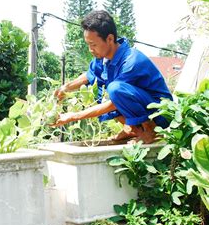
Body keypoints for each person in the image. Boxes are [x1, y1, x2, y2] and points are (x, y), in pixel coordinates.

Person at [52, 10, 172, 144]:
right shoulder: (102, 58)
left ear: (109, 39)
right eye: (88, 45)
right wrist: (65, 88)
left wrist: (73, 116)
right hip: (142, 107)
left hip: (160, 113)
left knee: (114, 90)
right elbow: (89, 75)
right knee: (99, 90)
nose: (91, 49)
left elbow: (114, 102)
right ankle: (134, 130)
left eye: (94, 44)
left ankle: (150, 131)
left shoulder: (131, 61)